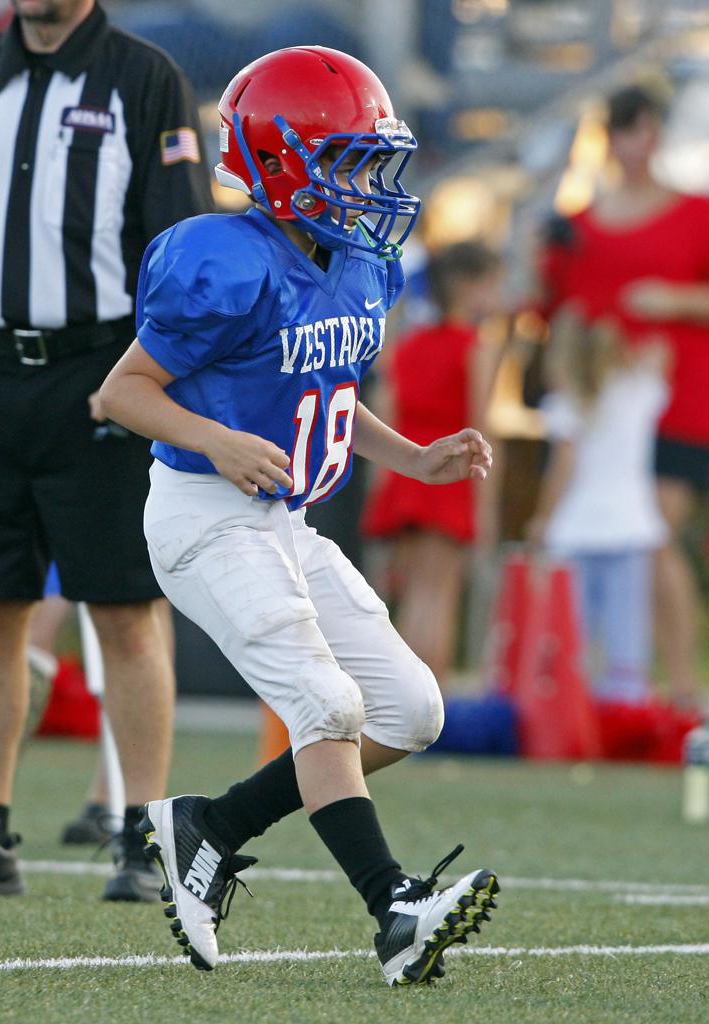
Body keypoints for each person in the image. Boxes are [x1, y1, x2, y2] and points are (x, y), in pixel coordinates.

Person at [100, 46, 499, 988]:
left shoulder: (356, 261)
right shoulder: (221, 258)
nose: (370, 183)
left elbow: (319, 388)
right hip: (204, 515)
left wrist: (411, 455)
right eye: (352, 159)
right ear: (281, 161)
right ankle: (395, 910)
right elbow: (123, 392)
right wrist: (216, 441)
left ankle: (212, 826)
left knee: (410, 709)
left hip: (282, 520)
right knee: (325, 705)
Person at [0, 0, 213, 900]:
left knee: (123, 610)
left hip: (101, 373)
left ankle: (143, 833)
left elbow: (178, 248)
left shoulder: (144, 80)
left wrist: (157, 384)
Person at [540, 84, 709, 707]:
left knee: (655, 535)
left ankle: (682, 689)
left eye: (649, 129)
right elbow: (552, 310)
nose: (640, 143)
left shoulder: (696, 212)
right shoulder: (580, 224)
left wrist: (677, 299)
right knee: (607, 545)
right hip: (599, 411)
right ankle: (611, 688)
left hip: (678, 402)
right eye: (627, 129)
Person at [361, 242, 503, 681]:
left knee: (414, 594)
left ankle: (405, 695)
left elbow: (388, 410)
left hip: (407, 469)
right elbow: (482, 424)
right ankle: (429, 699)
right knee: (437, 595)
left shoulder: (408, 345)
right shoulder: (474, 345)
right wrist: (486, 502)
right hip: (451, 472)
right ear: (467, 287)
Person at [527, 311, 670, 702]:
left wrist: (542, 518)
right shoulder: (639, 389)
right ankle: (627, 704)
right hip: (631, 525)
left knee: (573, 631)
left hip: (576, 529)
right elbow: (661, 351)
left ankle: (573, 704)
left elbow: (563, 468)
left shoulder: (564, 403)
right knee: (628, 627)